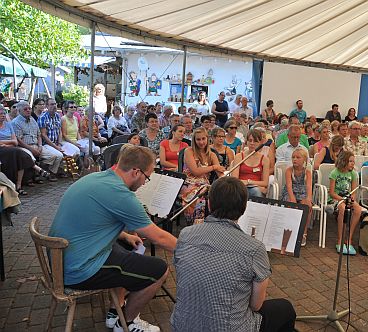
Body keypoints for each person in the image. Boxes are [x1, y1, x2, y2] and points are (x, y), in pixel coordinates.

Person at [48, 145, 177, 332]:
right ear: (135, 172)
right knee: (160, 270)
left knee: (129, 246)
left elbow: (94, 222)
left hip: (63, 259)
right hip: (77, 269)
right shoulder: (120, 194)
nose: (144, 183)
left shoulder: (96, 178)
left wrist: (124, 234)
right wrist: (191, 249)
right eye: (147, 177)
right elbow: (158, 237)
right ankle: (127, 323)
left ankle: (115, 310)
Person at [171, 176, 296, 332]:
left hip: (182, 324)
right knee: (286, 309)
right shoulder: (254, 248)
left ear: (209, 203)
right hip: (228, 327)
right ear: (244, 208)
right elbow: (256, 305)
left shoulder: (185, 234)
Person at [180, 127, 225, 225]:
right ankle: (196, 224)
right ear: (194, 140)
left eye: (203, 139)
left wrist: (224, 176)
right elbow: (195, 171)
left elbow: (219, 172)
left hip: (204, 184)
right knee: (199, 198)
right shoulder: (189, 151)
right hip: (189, 183)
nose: (201, 142)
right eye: (198, 139)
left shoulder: (212, 155)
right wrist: (213, 167)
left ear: (207, 139)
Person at [12, 101, 62, 181]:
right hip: (25, 147)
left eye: (29, 108)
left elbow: (39, 135)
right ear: (19, 111)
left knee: (58, 155)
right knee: (31, 158)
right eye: (25, 109)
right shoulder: (15, 122)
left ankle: (50, 172)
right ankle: (35, 174)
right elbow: (19, 141)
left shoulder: (32, 120)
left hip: (37, 145)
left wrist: (40, 146)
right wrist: (32, 149)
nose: (28, 110)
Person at [326, 150, 362, 255]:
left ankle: (349, 239)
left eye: (353, 161)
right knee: (342, 208)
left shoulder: (353, 174)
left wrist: (351, 199)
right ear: (343, 161)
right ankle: (340, 240)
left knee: (358, 209)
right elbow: (332, 193)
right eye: (350, 161)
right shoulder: (335, 173)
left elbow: (354, 191)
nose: (352, 163)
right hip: (336, 198)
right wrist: (343, 199)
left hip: (347, 198)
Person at [0, 105, 37, 195]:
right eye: (0, 114)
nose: (3, 115)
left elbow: (15, 142)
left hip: (11, 148)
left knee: (19, 155)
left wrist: (5, 143)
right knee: (19, 153)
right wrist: (9, 142)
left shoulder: (8, 125)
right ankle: (36, 168)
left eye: (4, 113)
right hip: (3, 149)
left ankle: (18, 185)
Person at [281, 148, 312, 246]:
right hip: (291, 192)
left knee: (307, 207)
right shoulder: (289, 171)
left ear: (304, 160)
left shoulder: (307, 172)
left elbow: (309, 186)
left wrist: (308, 199)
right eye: (293, 157)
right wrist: (292, 198)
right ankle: (290, 231)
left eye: (298, 157)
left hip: (302, 193)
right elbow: (289, 186)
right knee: (290, 205)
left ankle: (304, 233)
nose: (295, 159)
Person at [232, 129, 270, 198]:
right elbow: (235, 179)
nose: (252, 143)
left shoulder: (265, 159)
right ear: (246, 142)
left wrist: (248, 182)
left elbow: (265, 183)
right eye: (250, 140)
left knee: (255, 191)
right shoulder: (239, 156)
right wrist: (244, 183)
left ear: (260, 142)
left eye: (255, 141)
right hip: (240, 187)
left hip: (256, 188)